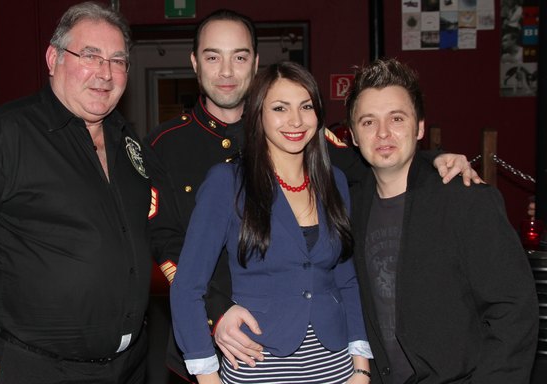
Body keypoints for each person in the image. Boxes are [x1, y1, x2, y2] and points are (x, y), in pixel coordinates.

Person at [145, 8, 482, 381]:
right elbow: (169, 246)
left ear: (255, 63)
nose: (226, 71)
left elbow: (377, 162)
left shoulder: (322, 160)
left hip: (329, 357)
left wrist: (434, 161)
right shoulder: (166, 146)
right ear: (195, 62)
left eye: (239, 57)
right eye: (213, 57)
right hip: (239, 352)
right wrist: (217, 312)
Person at [0, 2, 152, 384]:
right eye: (90, 55)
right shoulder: (1, 136)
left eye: (118, 60)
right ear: (53, 58)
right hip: (33, 369)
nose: (106, 73)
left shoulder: (128, 142)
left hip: (128, 368)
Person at [170, 61, 372, 384]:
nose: (296, 120)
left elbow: (347, 281)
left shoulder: (334, 181)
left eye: (306, 106)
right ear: (257, 115)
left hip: (335, 368)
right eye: (280, 107)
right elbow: (186, 288)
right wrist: (208, 376)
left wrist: (361, 369)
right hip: (257, 367)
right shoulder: (228, 182)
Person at [345, 58, 538, 383]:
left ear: (419, 127)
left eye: (396, 118)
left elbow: (513, 311)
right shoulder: (349, 204)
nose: (382, 133)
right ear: (352, 135)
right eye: (368, 122)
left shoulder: (466, 199)